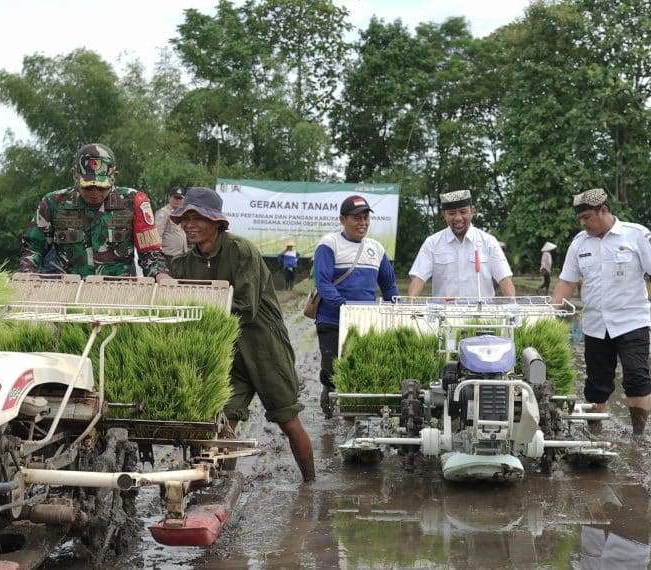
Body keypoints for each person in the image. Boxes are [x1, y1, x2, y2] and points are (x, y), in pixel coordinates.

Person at [168, 187, 316, 482]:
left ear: (216, 222)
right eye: (184, 218)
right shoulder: (184, 264)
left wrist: (199, 314)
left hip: (264, 347)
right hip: (227, 354)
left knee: (288, 420)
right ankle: (220, 491)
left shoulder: (241, 251)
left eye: (196, 217)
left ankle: (311, 485)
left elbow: (245, 309)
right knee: (224, 423)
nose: (189, 224)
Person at [549, 188, 651, 437]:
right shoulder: (579, 243)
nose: (583, 223)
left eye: (587, 217)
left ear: (604, 210)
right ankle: (594, 434)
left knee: (636, 377)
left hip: (631, 322)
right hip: (596, 325)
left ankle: (638, 435)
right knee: (596, 385)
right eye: (580, 219)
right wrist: (549, 312)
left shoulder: (636, 235)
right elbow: (567, 281)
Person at [19, 143, 167, 277]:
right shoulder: (53, 203)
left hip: (119, 294)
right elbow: (33, 247)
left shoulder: (134, 202)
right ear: (74, 175)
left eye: (102, 186)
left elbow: (150, 253)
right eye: (88, 186)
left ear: (114, 177)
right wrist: (28, 274)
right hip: (69, 292)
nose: (95, 192)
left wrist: (161, 276)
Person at [312, 195, 399, 418]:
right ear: (342, 219)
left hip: (364, 321)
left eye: (366, 217)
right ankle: (329, 391)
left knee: (359, 366)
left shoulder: (376, 249)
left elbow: (388, 285)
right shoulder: (329, 244)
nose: (363, 223)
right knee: (332, 366)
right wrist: (345, 307)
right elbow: (322, 282)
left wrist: (396, 309)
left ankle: (355, 409)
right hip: (332, 319)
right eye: (356, 218)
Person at [407, 189, 516, 298]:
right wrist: (409, 305)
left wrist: (513, 307)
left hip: (481, 312)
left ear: (472, 211)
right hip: (443, 312)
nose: (458, 218)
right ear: (444, 215)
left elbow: (504, 278)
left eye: (463, 212)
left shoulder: (488, 242)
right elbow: (419, 278)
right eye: (451, 213)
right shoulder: (432, 243)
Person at [155, 186, 188, 264]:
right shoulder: (163, 213)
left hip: (181, 255)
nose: (178, 200)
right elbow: (158, 234)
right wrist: (158, 254)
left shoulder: (182, 214)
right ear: (169, 198)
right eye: (176, 198)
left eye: (180, 198)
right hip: (168, 255)